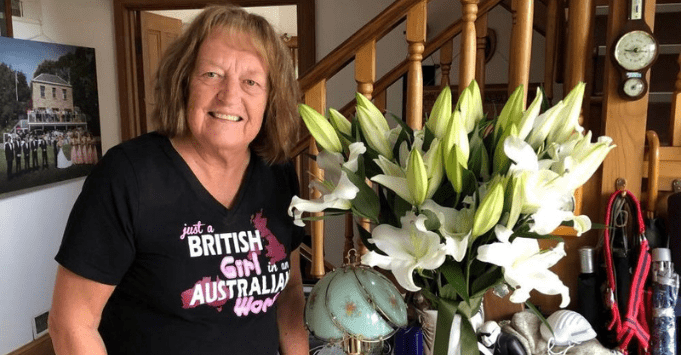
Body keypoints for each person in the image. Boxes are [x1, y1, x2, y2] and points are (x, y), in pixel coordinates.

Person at [49, 4, 307, 355]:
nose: (230, 96)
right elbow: (71, 324)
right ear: (184, 81)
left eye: (251, 81)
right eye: (212, 74)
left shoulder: (278, 172)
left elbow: (290, 294)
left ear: (271, 99)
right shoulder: (129, 176)